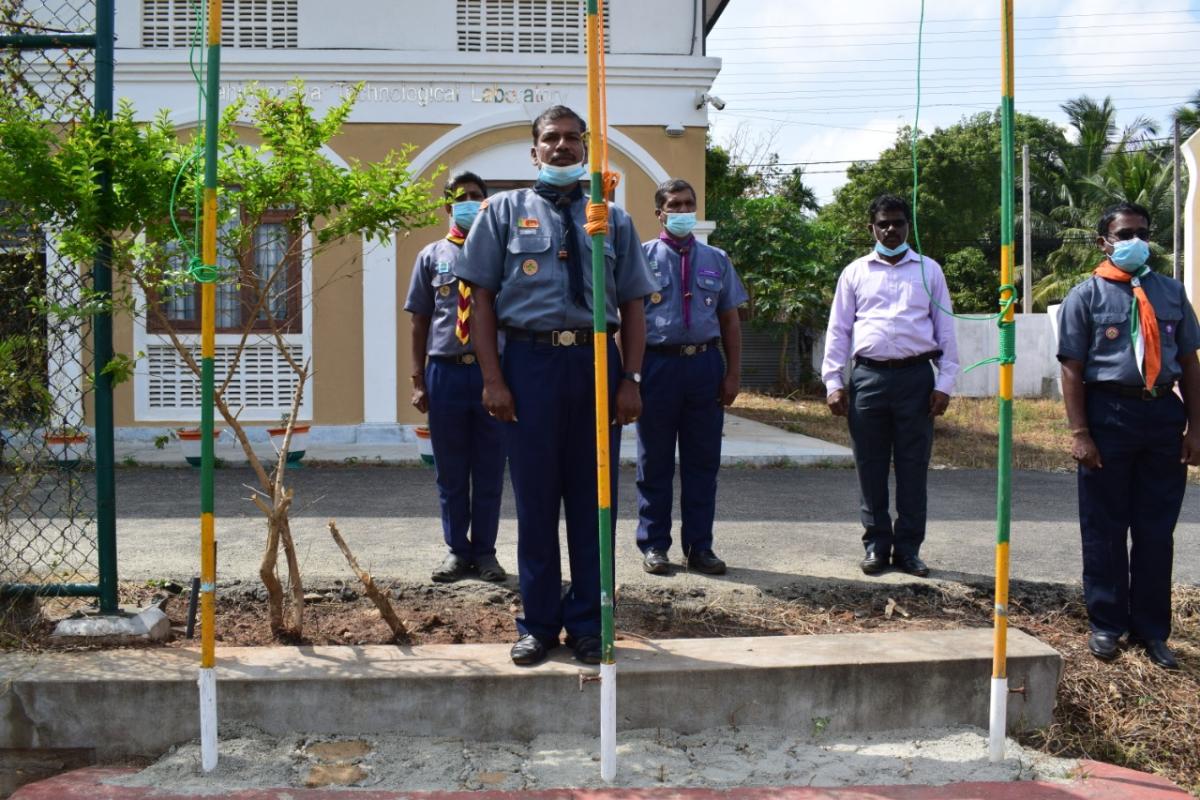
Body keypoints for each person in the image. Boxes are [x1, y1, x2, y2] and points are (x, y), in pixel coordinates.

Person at [457, 105, 657, 667]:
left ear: (586, 147)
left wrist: (631, 378)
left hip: (595, 366)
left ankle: (591, 625)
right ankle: (538, 624)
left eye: (573, 138)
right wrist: (492, 379)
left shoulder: (612, 219)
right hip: (529, 367)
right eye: (552, 139)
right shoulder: (502, 212)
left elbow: (634, 304)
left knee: (596, 503)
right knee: (537, 501)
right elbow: (482, 302)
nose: (563, 147)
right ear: (534, 150)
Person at [1056, 201, 1200, 670]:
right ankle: (1106, 623)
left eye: (1140, 232)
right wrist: (1080, 432)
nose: (1133, 241)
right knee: (1105, 526)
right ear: (1104, 242)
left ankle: (1153, 630)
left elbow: (1191, 364)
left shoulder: (1172, 293)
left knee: (1157, 530)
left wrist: (1195, 427)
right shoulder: (1087, 295)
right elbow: (1072, 369)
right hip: (1107, 414)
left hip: (1162, 414)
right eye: (1123, 234)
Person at [821, 193, 959, 578]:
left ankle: (910, 550)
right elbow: (839, 331)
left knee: (914, 467)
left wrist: (945, 383)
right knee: (870, 465)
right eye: (883, 223)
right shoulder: (855, 273)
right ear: (872, 228)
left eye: (898, 222)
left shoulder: (929, 271)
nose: (891, 229)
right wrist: (834, 381)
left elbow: (946, 330)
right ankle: (876, 547)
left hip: (917, 379)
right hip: (868, 379)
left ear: (908, 226)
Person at [636, 178, 747, 576]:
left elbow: (730, 320)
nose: (682, 211)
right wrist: (629, 377)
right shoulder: (640, 258)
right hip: (656, 367)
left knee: (703, 463)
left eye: (688, 204)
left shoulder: (716, 260)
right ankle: (654, 545)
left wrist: (733, 374)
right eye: (674, 205)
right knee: (655, 462)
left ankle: (700, 547)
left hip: (703, 367)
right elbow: (625, 323)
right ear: (659, 213)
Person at [404, 171, 508, 584]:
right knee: (450, 470)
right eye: (460, 197)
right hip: (444, 372)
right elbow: (419, 321)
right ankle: (455, 551)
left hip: (491, 376)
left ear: (485, 203)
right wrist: (417, 380)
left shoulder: (501, 256)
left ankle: (484, 552)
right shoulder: (431, 255)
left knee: (488, 468)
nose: (468, 201)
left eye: (476, 196)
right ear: (448, 206)